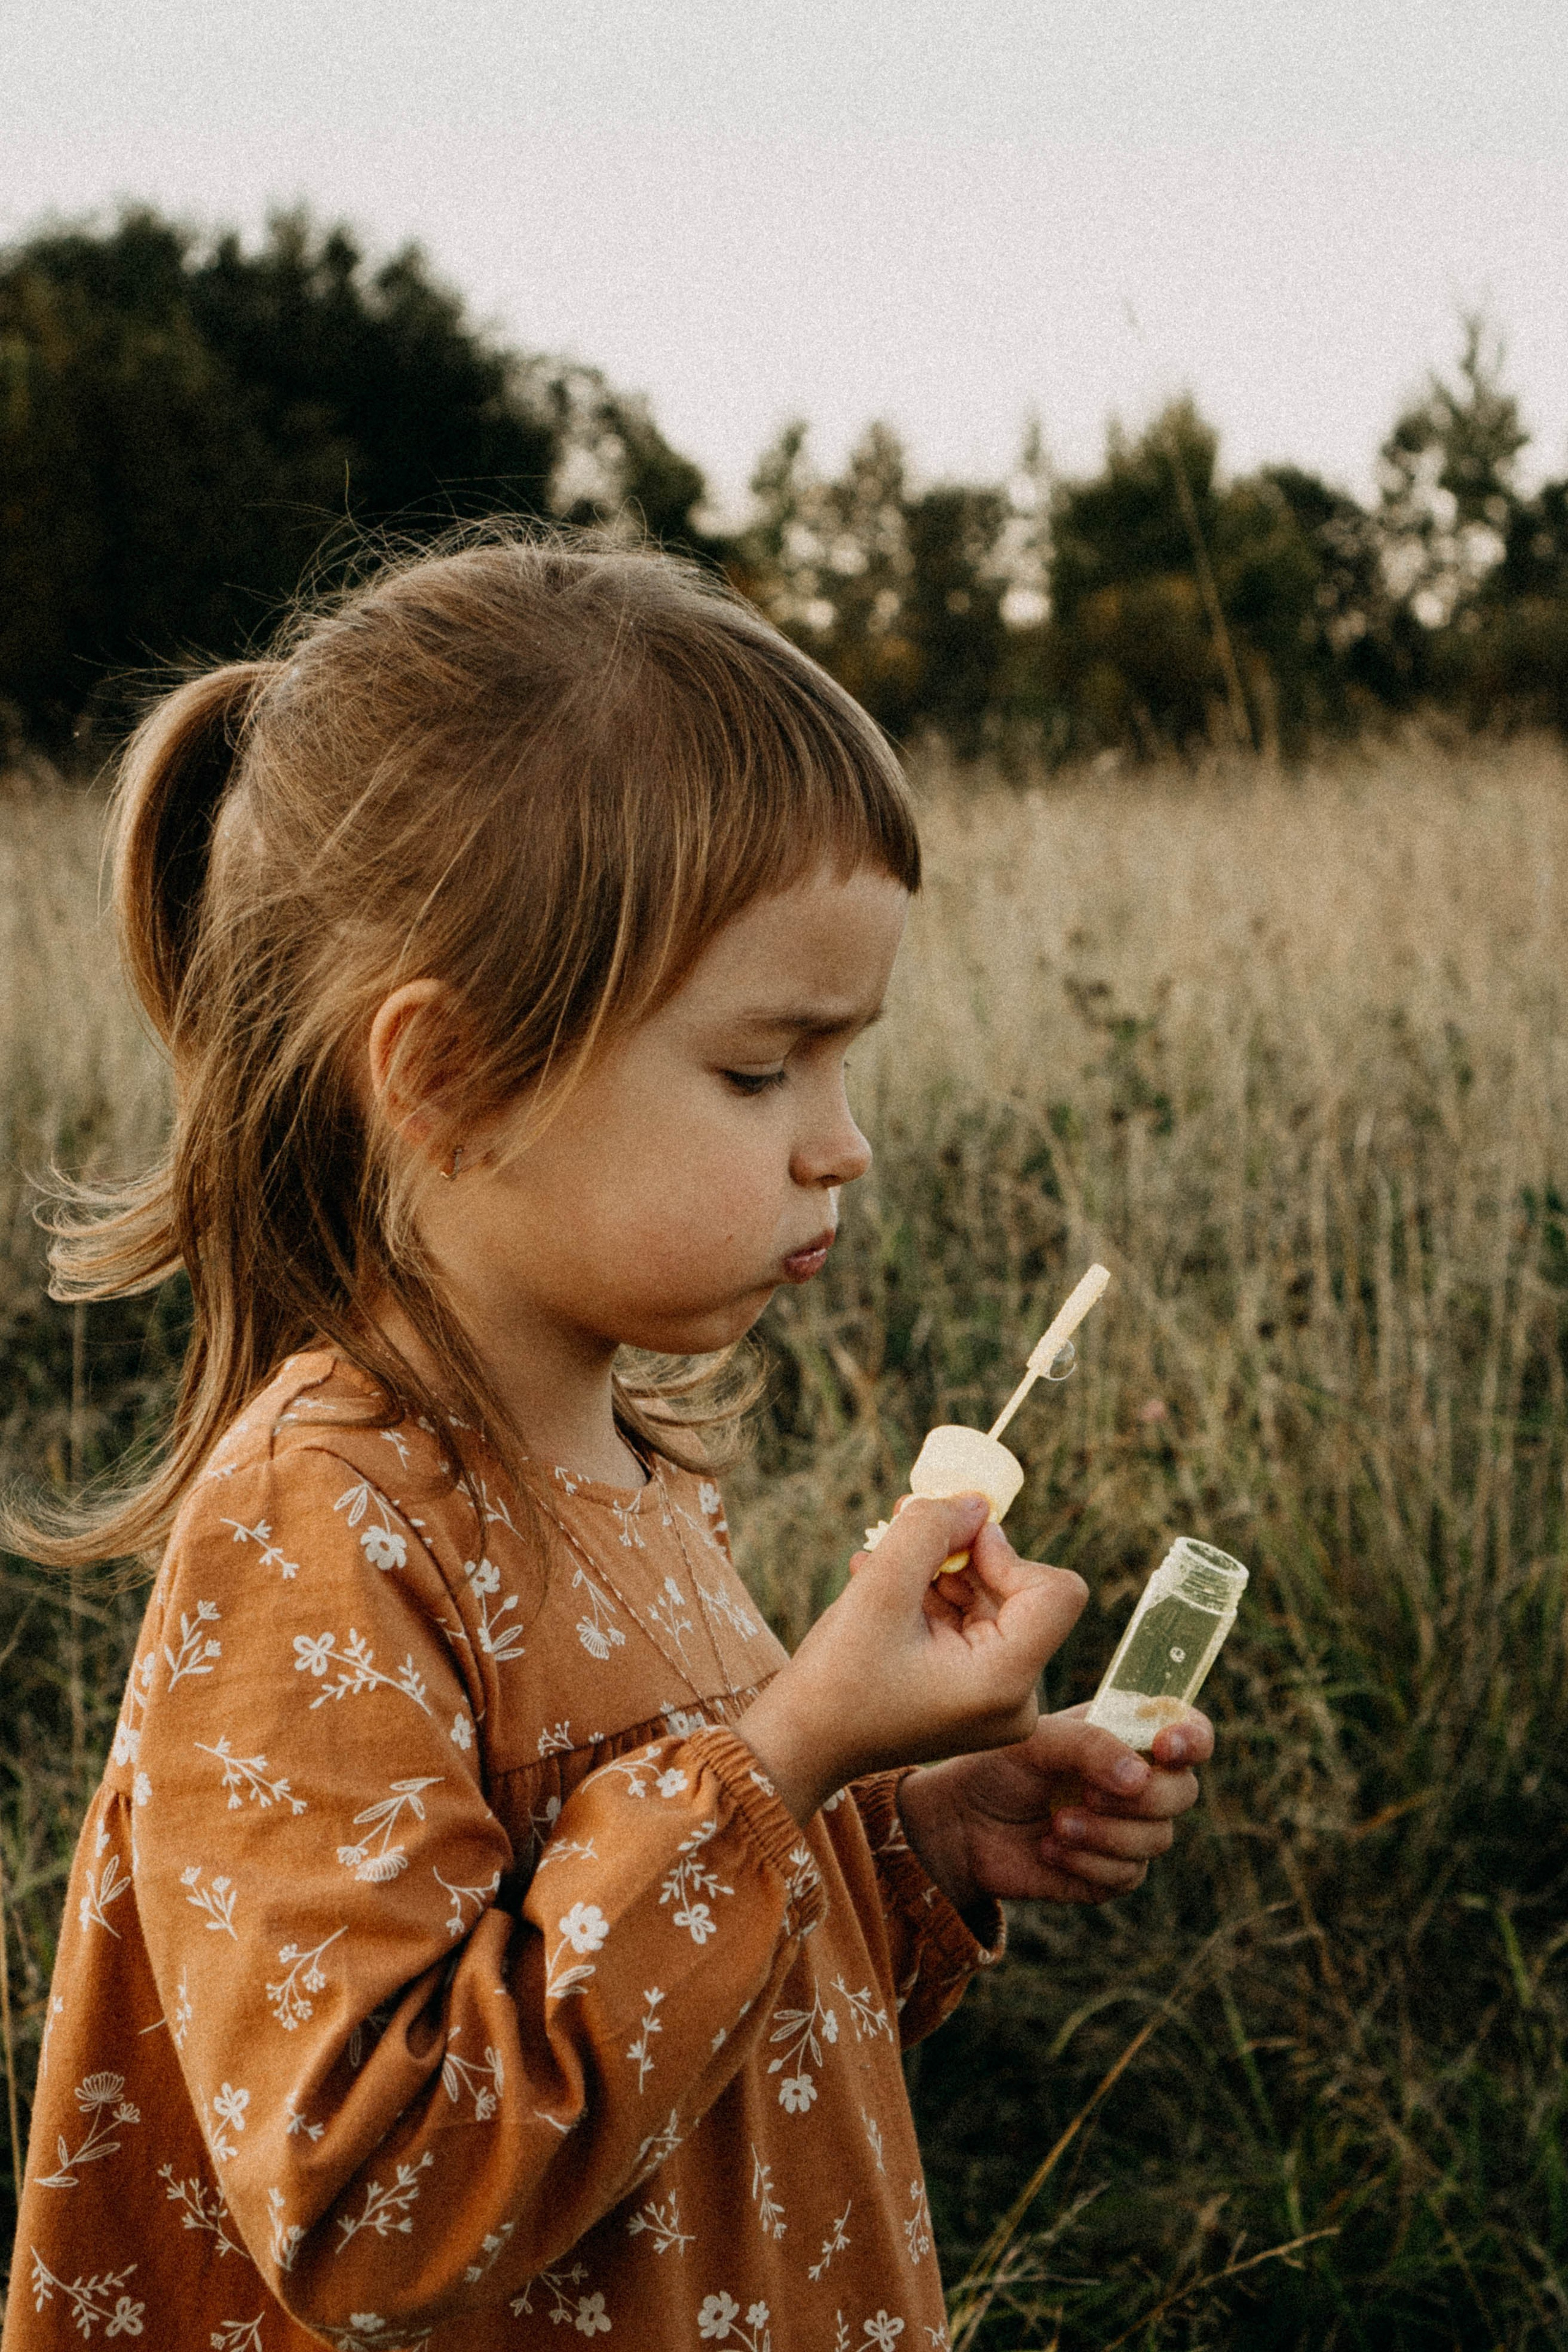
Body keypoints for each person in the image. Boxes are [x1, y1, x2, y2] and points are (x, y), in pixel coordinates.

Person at [2, 535, 1212, 2351]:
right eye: (760, 1070)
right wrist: (787, 1751)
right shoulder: (319, 1527)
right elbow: (373, 2201)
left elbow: (662, 2013)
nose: (842, 1144)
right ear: (448, 1076)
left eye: (845, 1060)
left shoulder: (632, 1475)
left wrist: (915, 1837)